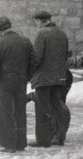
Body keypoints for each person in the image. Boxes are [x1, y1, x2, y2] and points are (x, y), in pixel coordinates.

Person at [0, 16, 36, 153]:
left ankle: (9, 145)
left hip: (4, 83)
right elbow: (34, 60)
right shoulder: (25, 41)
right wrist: (27, 76)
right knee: (20, 111)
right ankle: (21, 143)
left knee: (5, 113)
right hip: (21, 81)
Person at [30, 10, 71, 147]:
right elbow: (66, 55)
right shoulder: (62, 33)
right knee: (57, 105)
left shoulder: (42, 33)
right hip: (59, 77)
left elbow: (36, 57)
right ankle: (60, 137)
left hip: (43, 78)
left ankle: (43, 140)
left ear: (38, 21)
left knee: (42, 108)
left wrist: (29, 71)